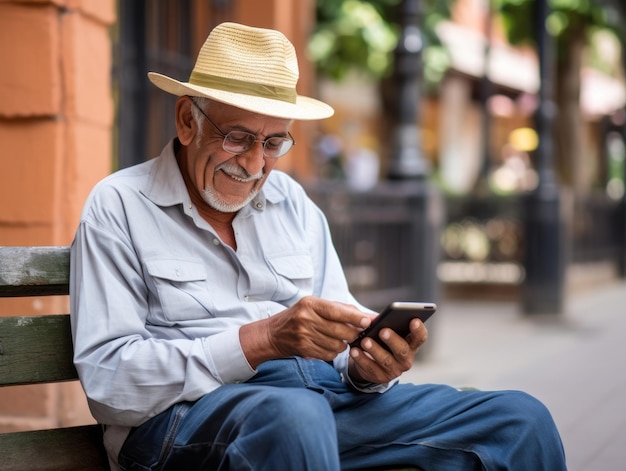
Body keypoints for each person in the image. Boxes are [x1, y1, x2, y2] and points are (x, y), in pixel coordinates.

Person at [70, 22, 567, 471]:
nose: (255, 164)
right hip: (185, 421)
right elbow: (110, 383)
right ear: (186, 120)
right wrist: (261, 341)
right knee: (293, 417)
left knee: (519, 420)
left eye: (274, 143)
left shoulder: (290, 201)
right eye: (238, 137)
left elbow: (339, 329)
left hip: (320, 404)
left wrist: (367, 365)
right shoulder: (119, 206)